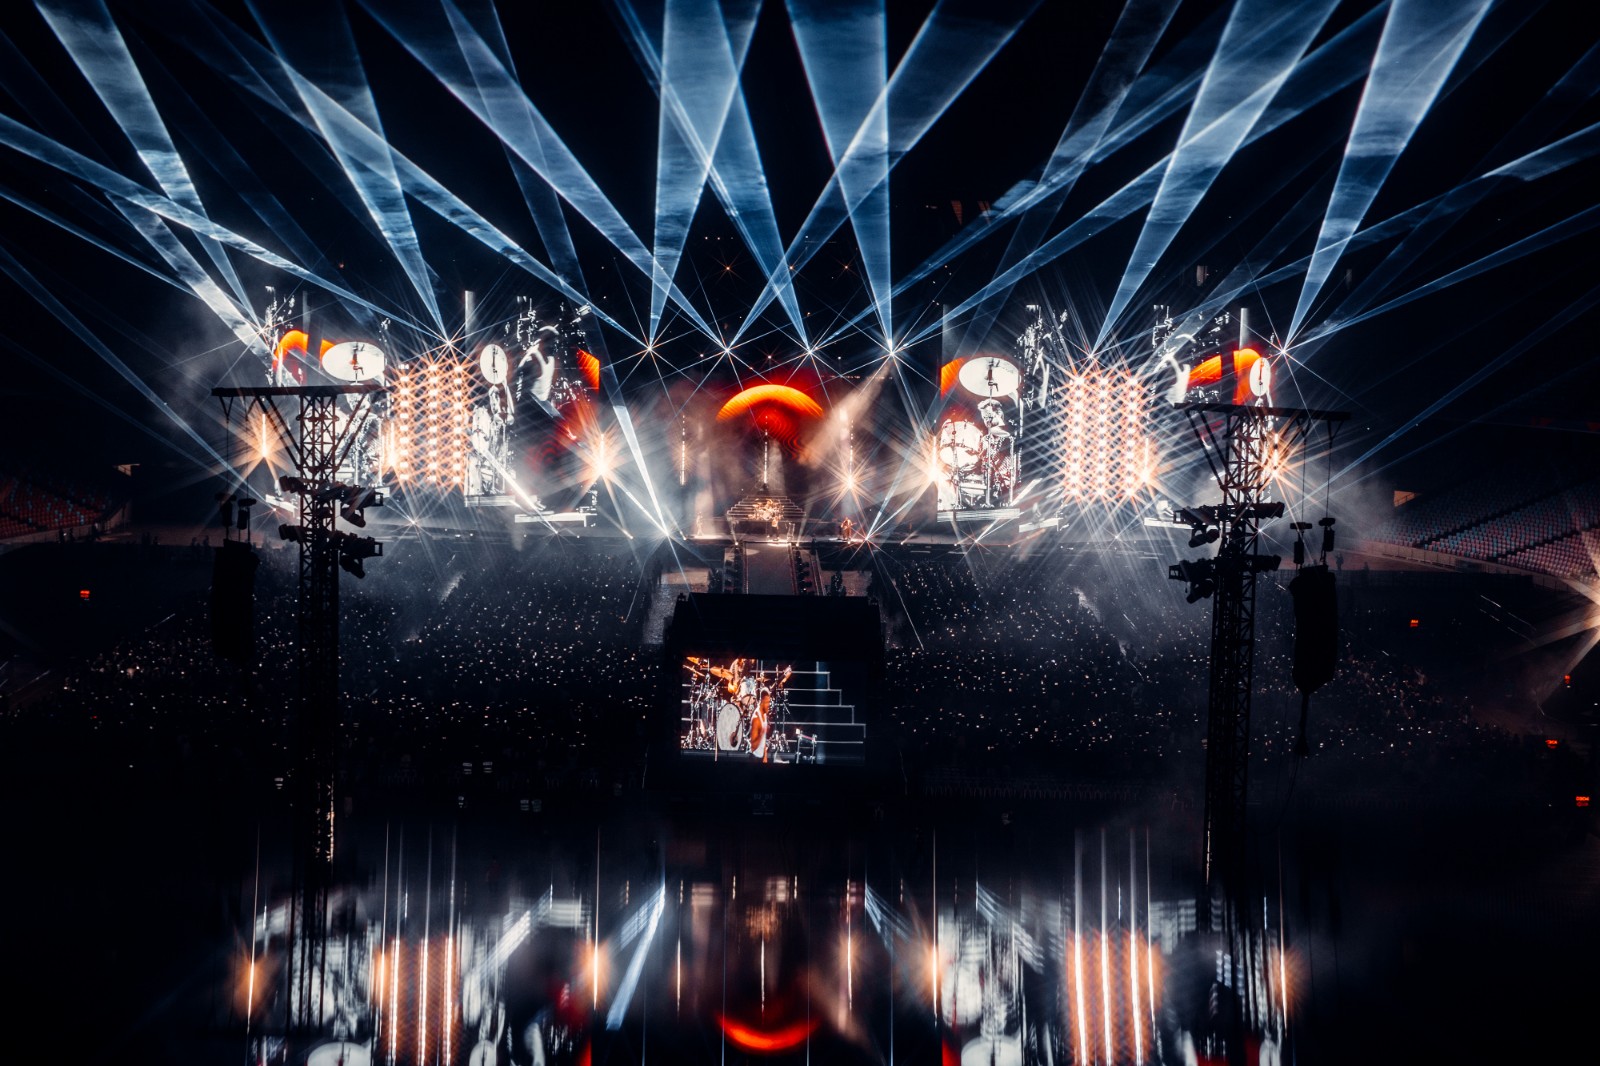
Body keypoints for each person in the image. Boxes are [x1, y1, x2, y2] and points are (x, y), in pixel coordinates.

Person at [976, 398, 1016, 507]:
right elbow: (982, 461)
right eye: (984, 417)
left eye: (989, 416)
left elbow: (1008, 460)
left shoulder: (1008, 437)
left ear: (999, 415)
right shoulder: (985, 439)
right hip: (990, 482)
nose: (987, 420)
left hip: (1006, 481)